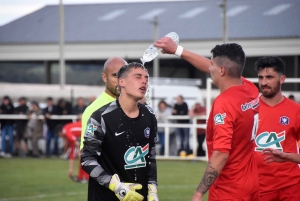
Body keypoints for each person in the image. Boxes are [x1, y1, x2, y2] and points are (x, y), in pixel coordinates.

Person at [154, 39, 259, 200]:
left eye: (213, 65)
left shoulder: (224, 103)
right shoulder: (250, 88)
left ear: (222, 70)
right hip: (252, 184)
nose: (210, 68)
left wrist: (199, 192)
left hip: (229, 189)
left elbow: (221, 153)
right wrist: (178, 50)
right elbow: (213, 67)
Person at [81, 62, 158, 201]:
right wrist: (114, 185)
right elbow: (87, 159)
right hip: (105, 196)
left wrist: (152, 190)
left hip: (139, 197)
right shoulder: (101, 116)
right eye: (138, 77)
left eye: (146, 78)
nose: (144, 81)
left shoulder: (150, 116)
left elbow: (150, 158)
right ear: (121, 82)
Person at [253, 56, 300, 201]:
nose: (264, 82)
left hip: (291, 188)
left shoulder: (296, 111)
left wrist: (287, 156)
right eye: (261, 77)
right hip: (258, 188)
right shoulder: (249, 110)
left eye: (269, 77)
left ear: (282, 79)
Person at [80, 56, 127, 150]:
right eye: (115, 75)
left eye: (124, 75)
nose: (120, 81)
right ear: (104, 77)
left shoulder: (134, 106)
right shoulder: (93, 110)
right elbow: (87, 153)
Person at [62, 115, 89, 183]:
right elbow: (72, 153)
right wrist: (70, 170)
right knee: (83, 157)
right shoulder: (70, 129)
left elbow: (74, 141)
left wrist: (78, 145)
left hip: (89, 133)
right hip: (87, 134)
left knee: (83, 157)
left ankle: (85, 177)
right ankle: (82, 177)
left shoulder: (66, 130)